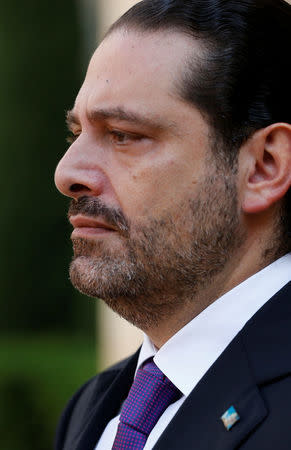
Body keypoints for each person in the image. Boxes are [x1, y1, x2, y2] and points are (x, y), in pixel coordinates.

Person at [54, 0, 291, 448]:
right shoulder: (91, 408)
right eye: (76, 133)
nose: (67, 173)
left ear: (263, 166)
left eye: (123, 134)